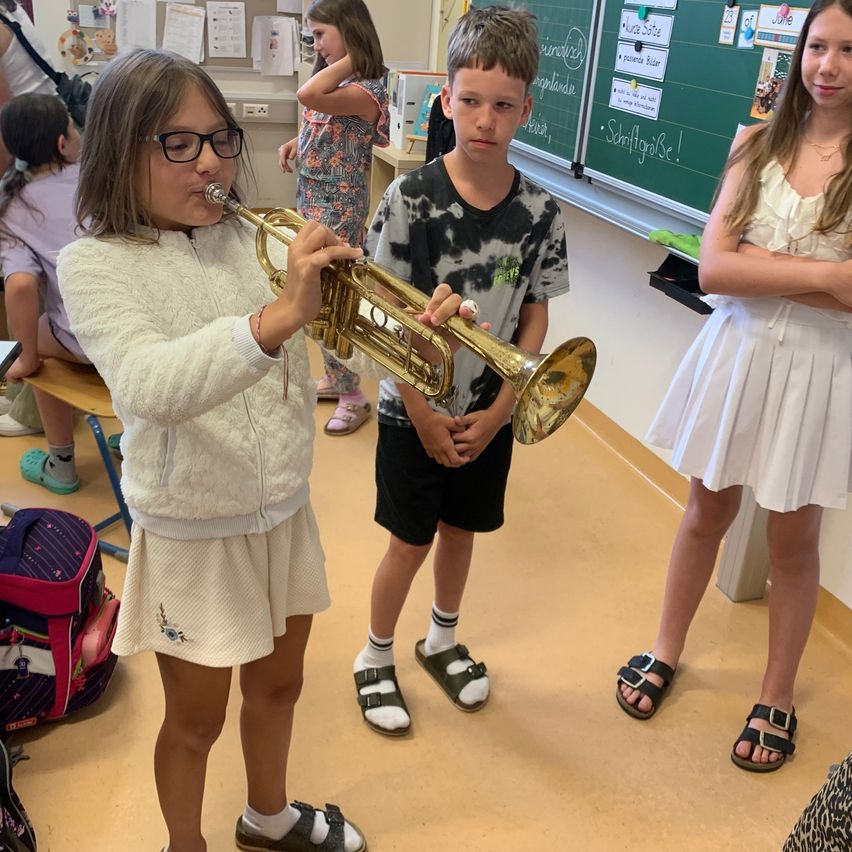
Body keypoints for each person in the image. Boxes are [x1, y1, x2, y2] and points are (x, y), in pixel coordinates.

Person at [57, 48, 473, 852]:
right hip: (192, 530)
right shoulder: (94, 264)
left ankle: (268, 817)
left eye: (219, 138)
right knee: (195, 720)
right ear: (119, 149)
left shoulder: (249, 241)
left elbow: (336, 325)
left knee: (280, 687)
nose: (210, 161)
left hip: (283, 507)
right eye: (178, 144)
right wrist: (276, 318)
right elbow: (147, 384)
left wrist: (418, 324)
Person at [616, 0, 852, 773]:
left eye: (848, 50)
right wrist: (829, 278)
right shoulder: (755, 141)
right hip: (739, 350)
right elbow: (716, 269)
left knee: (793, 539)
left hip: (820, 368)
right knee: (704, 510)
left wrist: (772, 274)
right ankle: (664, 650)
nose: (828, 65)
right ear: (800, 53)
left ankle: (776, 695)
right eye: (818, 45)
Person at [350, 6, 570, 736]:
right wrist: (419, 412)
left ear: (525, 111)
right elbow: (379, 316)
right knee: (409, 539)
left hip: (490, 407)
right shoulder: (408, 199)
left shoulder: (541, 210)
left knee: (460, 528)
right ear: (445, 99)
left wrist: (505, 406)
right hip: (410, 410)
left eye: (504, 105)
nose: (485, 119)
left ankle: (441, 638)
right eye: (470, 100)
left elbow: (535, 315)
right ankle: (373, 654)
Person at [278, 0, 388, 436]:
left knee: (333, 297)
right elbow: (322, 119)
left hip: (340, 208)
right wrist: (297, 142)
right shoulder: (340, 82)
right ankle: (337, 378)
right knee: (317, 293)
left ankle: (353, 396)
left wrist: (353, 58)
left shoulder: (369, 87)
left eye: (322, 33)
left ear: (350, 30)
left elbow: (309, 96)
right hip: (314, 197)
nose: (315, 43)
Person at [0, 93, 87, 489]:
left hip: (80, 340)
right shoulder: (98, 176)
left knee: (37, 340)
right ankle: (137, 435)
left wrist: (28, 357)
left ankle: (61, 463)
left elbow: (20, 286)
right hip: (146, 328)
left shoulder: (14, 206)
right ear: (62, 143)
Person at [0, 0, 59, 434]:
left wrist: (6, 192)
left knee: (30, 287)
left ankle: (29, 409)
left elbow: (5, 123)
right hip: (49, 146)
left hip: (31, 153)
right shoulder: (13, 13)